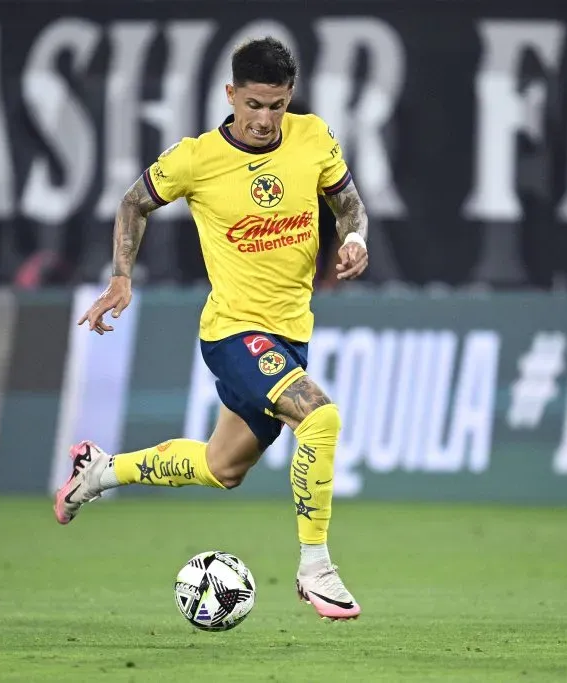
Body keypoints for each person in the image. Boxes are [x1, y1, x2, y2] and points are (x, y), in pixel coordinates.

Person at [54, 37, 368, 620]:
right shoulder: (197, 158)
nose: (264, 118)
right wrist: (121, 277)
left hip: (291, 334)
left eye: (276, 105)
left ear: (290, 98)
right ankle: (316, 568)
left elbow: (347, 201)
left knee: (223, 467)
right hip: (234, 333)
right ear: (231, 95)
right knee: (320, 418)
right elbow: (133, 202)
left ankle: (99, 471)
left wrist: (354, 237)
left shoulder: (313, 137)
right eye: (253, 104)